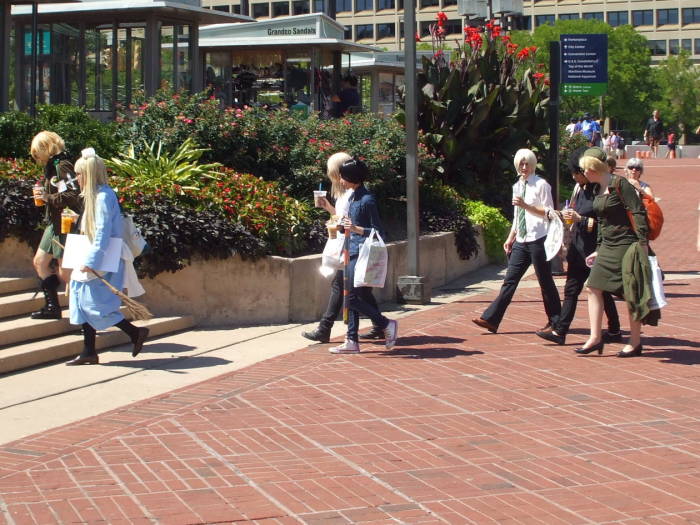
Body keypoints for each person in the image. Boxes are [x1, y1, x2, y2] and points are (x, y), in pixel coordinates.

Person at [65, 148, 149, 365]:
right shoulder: (98, 195)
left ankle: (133, 333)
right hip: (96, 255)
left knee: (94, 304)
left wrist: (90, 261)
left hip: (101, 258)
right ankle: (89, 351)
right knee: (82, 300)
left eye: (80, 174)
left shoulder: (102, 197)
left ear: (89, 174)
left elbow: (102, 233)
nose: (77, 178)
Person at [536, 148, 620, 346]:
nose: (575, 176)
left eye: (578, 172)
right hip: (579, 246)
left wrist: (581, 219)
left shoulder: (602, 189)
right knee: (572, 290)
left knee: (601, 290)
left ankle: (614, 329)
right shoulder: (581, 189)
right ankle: (561, 331)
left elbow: (606, 222)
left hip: (594, 249)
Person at [472, 148, 561, 334]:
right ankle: (491, 319)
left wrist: (526, 205)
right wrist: (511, 237)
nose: (524, 167)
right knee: (509, 281)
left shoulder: (541, 185)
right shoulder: (517, 186)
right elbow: (517, 214)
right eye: (521, 163)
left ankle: (556, 321)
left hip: (538, 239)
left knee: (545, 281)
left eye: (527, 163)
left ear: (533, 165)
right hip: (522, 240)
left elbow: (549, 213)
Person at [575, 147, 652, 358]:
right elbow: (601, 221)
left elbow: (637, 211)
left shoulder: (620, 184)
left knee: (630, 293)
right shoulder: (596, 188)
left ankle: (635, 342)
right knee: (592, 287)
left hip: (626, 245)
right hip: (608, 246)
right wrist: (598, 249)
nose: (583, 173)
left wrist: (643, 243)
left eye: (585, 169)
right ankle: (595, 338)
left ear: (594, 167)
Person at [302, 152, 383, 343]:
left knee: (349, 290)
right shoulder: (350, 195)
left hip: (353, 247)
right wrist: (330, 210)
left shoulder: (360, 198)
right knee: (356, 291)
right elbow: (343, 219)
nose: (336, 178)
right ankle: (376, 326)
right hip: (350, 245)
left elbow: (365, 226)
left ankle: (335, 330)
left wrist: (348, 227)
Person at [329, 157, 397, 354]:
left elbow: (379, 232)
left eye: (343, 177)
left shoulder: (367, 199)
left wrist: (356, 228)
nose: (340, 180)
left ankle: (385, 324)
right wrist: (341, 227)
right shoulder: (352, 196)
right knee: (349, 296)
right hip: (350, 250)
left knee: (350, 298)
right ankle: (352, 340)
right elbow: (350, 225)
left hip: (361, 254)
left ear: (352, 178)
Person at [29, 131, 82, 320]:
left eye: (37, 153)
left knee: (66, 272)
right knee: (40, 262)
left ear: (46, 148)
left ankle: (84, 317)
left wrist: (47, 197)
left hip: (66, 222)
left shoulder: (63, 165)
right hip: (54, 222)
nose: (36, 158)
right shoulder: (52, 167)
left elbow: (73, 195)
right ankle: (52, 306)